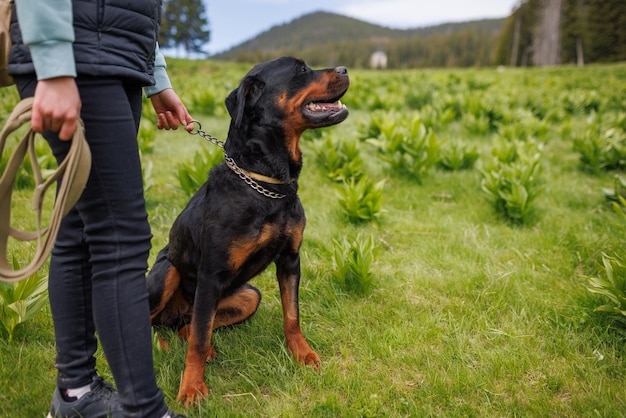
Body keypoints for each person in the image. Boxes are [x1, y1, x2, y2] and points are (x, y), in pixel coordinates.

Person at [9, 1, 191, 417]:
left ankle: (75, 393)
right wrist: (54, 64)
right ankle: (143, 410)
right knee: (120, 236)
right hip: (77, 52)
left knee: (81, 227)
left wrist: (155, 75)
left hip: (112, 54)